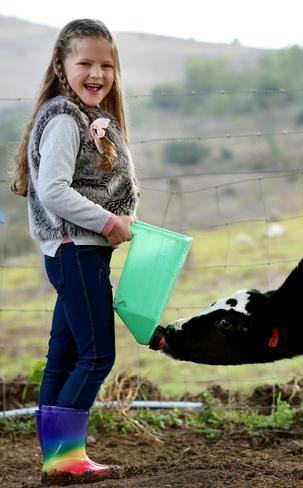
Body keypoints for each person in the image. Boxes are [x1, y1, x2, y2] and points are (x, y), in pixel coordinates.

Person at [11, 19, 138, 483]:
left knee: (63, 355)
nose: (97, 73)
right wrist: (109, 222)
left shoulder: (83, 116)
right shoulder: (65, 119)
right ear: (63, 66)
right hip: (75, 251)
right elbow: (54, 191)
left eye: (107, 65)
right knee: (97, 356)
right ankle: (65, 461)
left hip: (77, 252)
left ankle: (58, 461)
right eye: (85, 62)